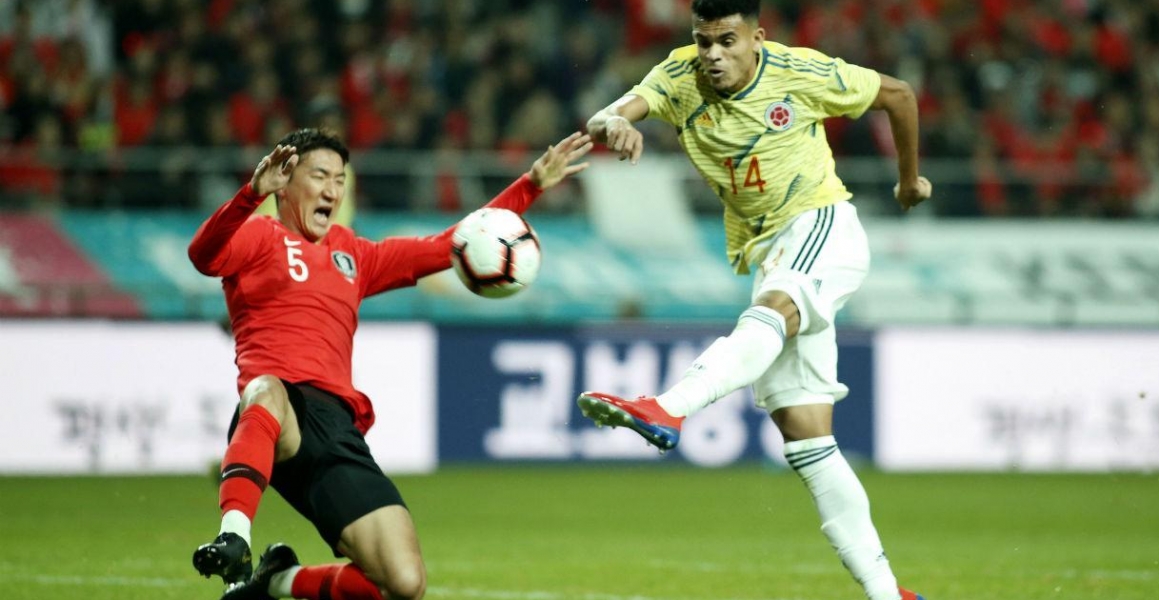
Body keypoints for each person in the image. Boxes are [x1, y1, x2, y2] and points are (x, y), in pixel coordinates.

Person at [574, 2, 931, 600]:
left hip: (821, 224)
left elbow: (899, 94)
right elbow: (604, 115)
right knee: (808, 438)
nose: (713, 54)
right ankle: (888, 593)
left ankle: (668, 407)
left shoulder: (800, 72)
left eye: (727, 41)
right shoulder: (676, 74)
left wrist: (906, 180)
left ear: (756, 38)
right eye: (704, 40)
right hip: (769, 251)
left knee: (773, 308)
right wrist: (614, 124)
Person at [189, 128, 592, 600]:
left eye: (340, 179)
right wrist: (250, 194)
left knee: (401, 583)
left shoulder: (354, 255)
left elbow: (451, 244)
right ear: (284, 180)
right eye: (319, 175)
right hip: (277, 416)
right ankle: (234, 535)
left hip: (337, 431)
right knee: (265, 389)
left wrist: (532, 184)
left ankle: (275, 582)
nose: (333, 190)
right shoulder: (259, 233)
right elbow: (203, 255)